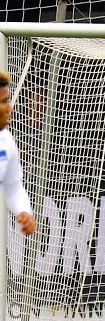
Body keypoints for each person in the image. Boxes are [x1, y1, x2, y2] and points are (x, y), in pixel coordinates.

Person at [0, 71, 37, 237]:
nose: (10, 107)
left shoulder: (6, 141)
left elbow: (13, 186)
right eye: (4, 102)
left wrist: (24, 211)